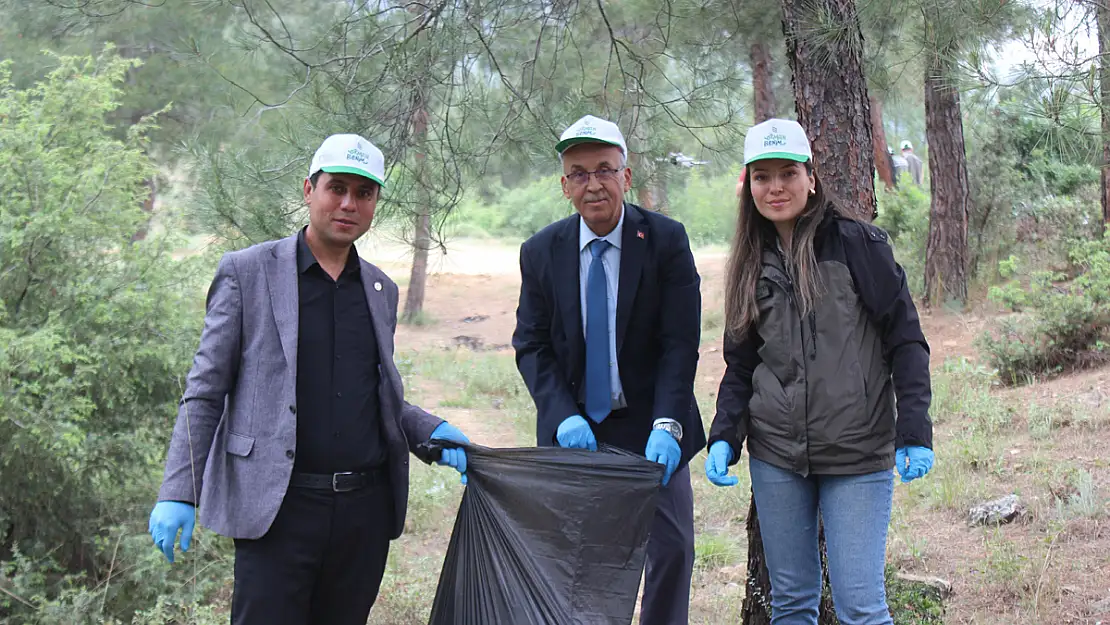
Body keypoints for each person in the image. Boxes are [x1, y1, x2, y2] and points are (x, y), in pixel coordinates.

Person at [147, 134, 471, 625]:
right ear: (308, 189)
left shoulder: (380, 289)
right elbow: (205, 390)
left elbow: (374, 395)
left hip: (363, 513)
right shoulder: (247, 273)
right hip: (278, 509)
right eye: (336, 188)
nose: (348, 204)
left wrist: (427, 430)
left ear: (375, 203)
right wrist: (178, 490)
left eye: (363, 193)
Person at [703, 118, 934, 624]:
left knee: (861, 608)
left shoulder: (857, 245)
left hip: (857, 452)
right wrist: (725, 435)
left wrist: (914, 431)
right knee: (790, 604)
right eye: (762, 176)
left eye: (787, 172)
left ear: (811, 175)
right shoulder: (748, 261)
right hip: (777, 456)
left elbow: (907, 342)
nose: (776, 187)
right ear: (750, 185)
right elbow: (741, 365)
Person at [512, 114, 706, 625]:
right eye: (579, 173)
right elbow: (531, 343)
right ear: (564, 185)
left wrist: (668, 422)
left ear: (627, 175)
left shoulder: (666, 240)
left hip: (653, 425)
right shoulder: (540, 251)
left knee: (671, 552)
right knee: (583, 561)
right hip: (578, 431)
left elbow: (680, 343)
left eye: (604, 169)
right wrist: (560, 414)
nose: (593, 183)